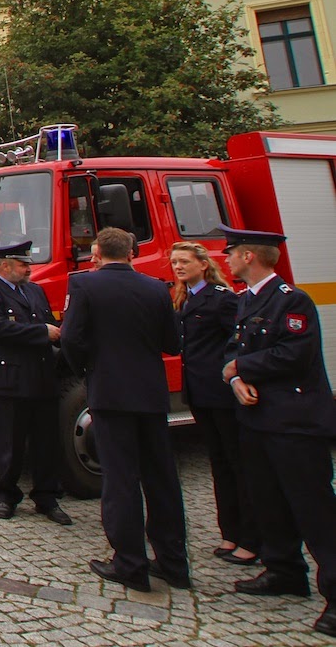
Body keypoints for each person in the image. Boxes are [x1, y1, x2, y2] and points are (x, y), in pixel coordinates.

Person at [219, 225, 336, 638]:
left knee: (314, 510)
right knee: (268, 501)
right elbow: (234, 350)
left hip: (294, 422)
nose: (226, 258)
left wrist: (242, 369)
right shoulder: (245, 301)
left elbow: (295, 353)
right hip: (258, 419)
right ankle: (284, 569)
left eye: (231, 251)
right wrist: (235, 379)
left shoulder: (291, 299)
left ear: (249, 256)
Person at [62, 227, 188, 592]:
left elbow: (71, 338)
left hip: (110, 393)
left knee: (120, 481)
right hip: (150, 393)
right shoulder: (155, 287)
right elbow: (171, 341)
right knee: (162, 478)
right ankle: (173, 563)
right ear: (131, 253)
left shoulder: (85, 285)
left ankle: (130, 564)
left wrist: (87, 369)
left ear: (98, 251)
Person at [172, 240, 258, 566]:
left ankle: (251, 538)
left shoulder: (221, 299)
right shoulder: (182, 299)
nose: (178, 267)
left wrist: (235, 375)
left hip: (220, 392)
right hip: (198, 393)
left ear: (203, 264)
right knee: (219, 464)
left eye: (184, 262)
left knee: (238, 464)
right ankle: (230, 532)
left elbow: (238, 341)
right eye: (174, 263)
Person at [0, 239, 68, 524]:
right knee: (9, 443)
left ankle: (47, 496)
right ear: (5, 265)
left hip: (40, 376)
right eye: (24, 265)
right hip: (8, 379)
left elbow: (49, 322)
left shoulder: (35, 291)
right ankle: (6, 495)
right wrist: (42, 333)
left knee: (46, 442)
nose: (29, 269)